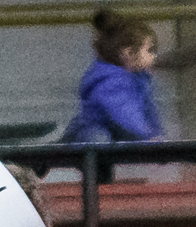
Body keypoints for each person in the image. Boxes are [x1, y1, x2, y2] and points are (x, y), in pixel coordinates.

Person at [65, 11, 164, 146]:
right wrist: (146, 135)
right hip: (95, 133)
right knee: (98, 139)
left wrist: (156, 134)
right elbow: (124, 111)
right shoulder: (110, 81)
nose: (153, 56)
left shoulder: (138, 78)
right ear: (129, 53)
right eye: (149, 50)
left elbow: (148, 110)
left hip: (119, 131)